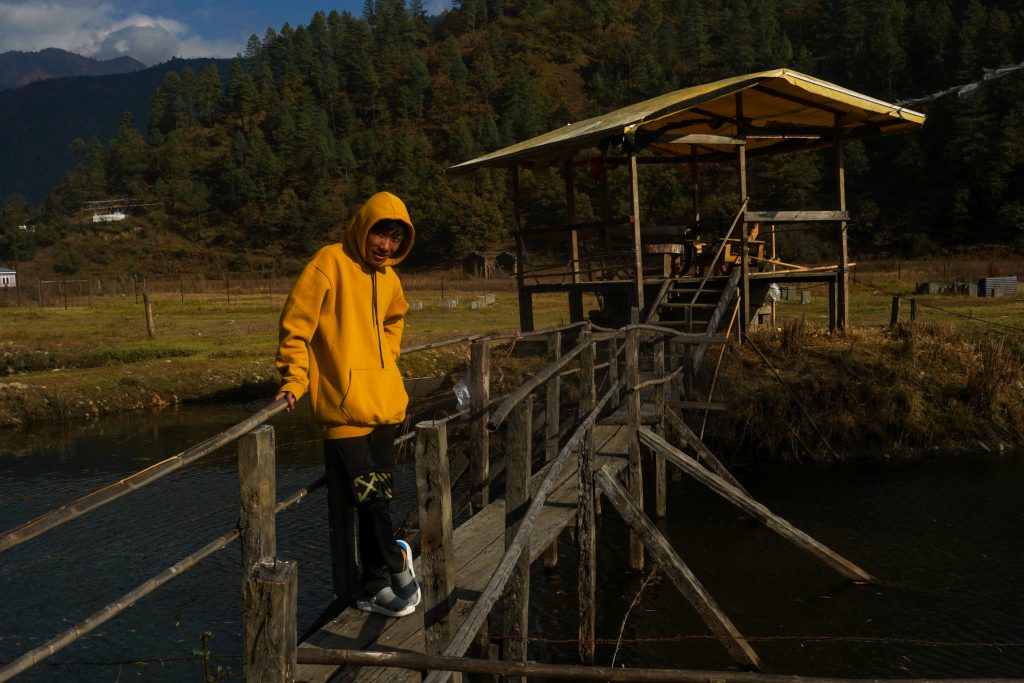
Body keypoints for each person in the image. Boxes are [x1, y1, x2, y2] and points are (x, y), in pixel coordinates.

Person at [275, 191, 420, 617]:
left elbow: (395, 319)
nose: (386, 247)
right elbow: (295, 326)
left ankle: (373, 583)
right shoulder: (329, 262)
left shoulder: (390, 279)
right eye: (381, 235)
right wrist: (295, 379)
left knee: (379, 499)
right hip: (342, 410)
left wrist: (387, 358)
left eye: (396, 240)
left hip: (385, 405)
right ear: (363, 227)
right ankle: (397, 561)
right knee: (370, 499)